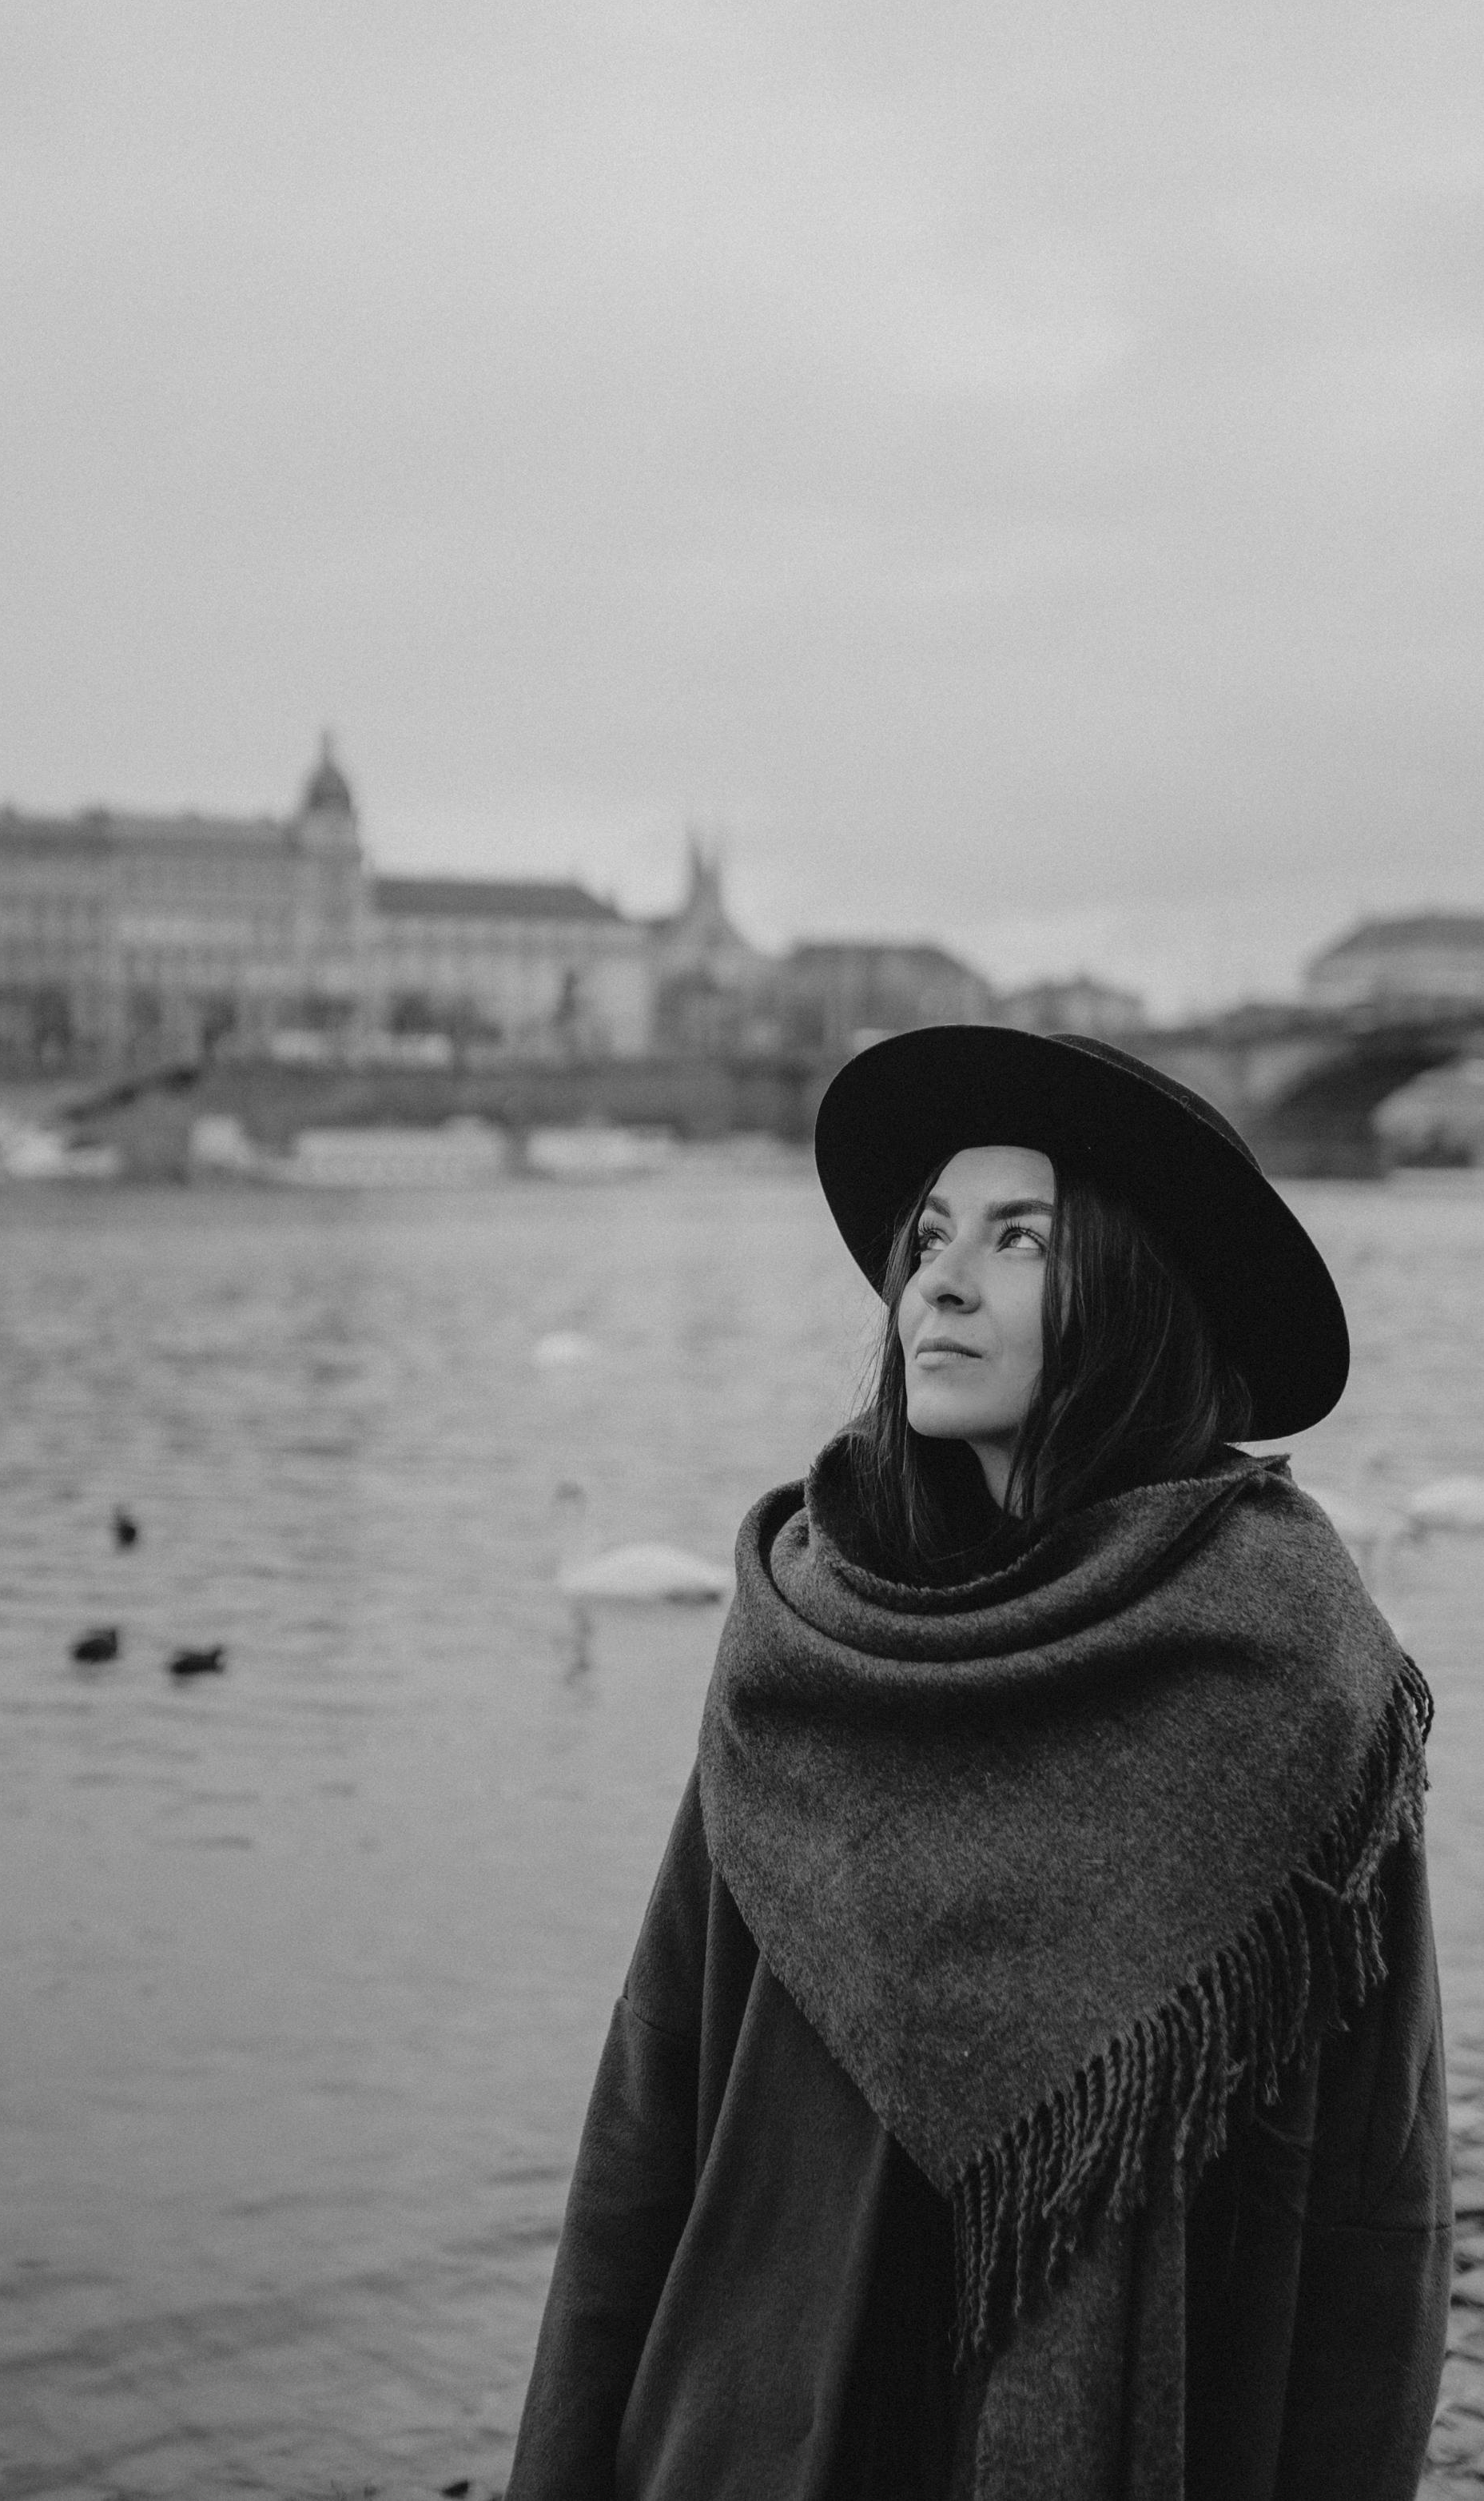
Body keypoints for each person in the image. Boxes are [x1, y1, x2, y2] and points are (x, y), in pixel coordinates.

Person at [507, 1029, 1450, 2501]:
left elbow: (1370, 2218)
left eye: (1020, 1240)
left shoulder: (1289, 1669)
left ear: (1138, 1292)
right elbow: (647, 2123)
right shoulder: (803, 1642)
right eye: (930, 1236)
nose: (936, 1282)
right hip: (748, 2447)